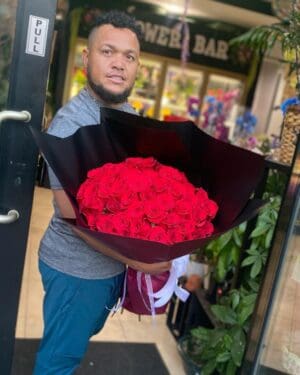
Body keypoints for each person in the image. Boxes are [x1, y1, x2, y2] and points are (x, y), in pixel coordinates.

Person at [34, 10, 171, 375]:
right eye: (108, 51)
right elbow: (72, 217)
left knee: (78, 340)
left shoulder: (129, 114)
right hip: (75, 270)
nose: (119, 64)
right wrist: (141, 261)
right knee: (59, 361)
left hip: (108, 269)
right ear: (86, 58)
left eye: (129, 56)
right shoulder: (70, 125)